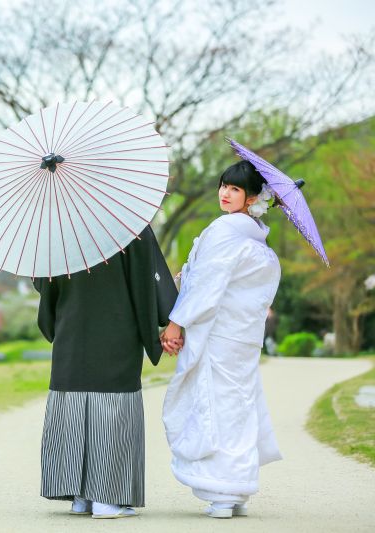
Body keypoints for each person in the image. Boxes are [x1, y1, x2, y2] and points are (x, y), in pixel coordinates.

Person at [160, 160, 283, 519]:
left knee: (218, 405)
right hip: (242, 337)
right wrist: (195, 271)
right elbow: (232, 282)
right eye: (224, 186)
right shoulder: (254, 236)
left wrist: (175, 323)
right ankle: (239, 489)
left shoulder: (225, 230)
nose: (225, 194)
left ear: (252, 198)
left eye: (235, 189)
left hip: (219, 335)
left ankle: (223, 493)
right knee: (239, 405)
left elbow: (209, 286)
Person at [33, 225, 179, 519]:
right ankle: (107, 499)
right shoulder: (129, 224)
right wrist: (171, 320)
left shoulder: (57, 228)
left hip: (70, 333)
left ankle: (80, 496)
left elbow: (43, 283)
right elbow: (151, 278)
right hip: (117, 330)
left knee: (71, 407)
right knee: (114, 410)